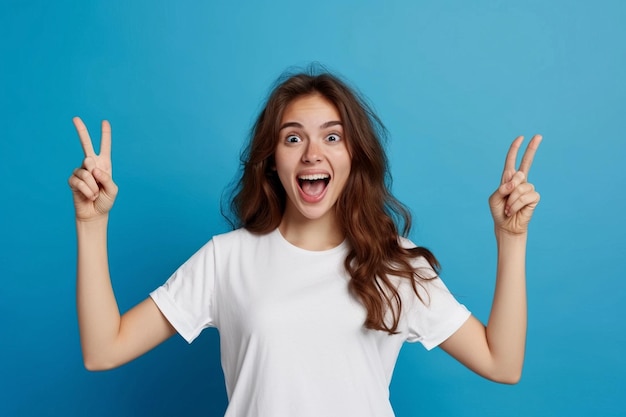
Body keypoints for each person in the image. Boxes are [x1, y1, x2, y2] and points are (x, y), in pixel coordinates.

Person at [68, 70, 541, 417]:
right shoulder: (226, 258)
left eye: (332, 137)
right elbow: (103, 349)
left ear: (353, 156)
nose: (313, 153)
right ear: (272, 160)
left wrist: (511, 238)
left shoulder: (394, 264)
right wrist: (91, 223)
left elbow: (502, 362)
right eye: (293, 138)